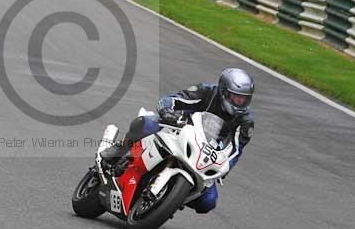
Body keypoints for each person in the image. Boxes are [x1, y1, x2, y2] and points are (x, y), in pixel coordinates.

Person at [100, 67, 256, 214]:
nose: (240, 102)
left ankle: (171, 198)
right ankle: (120, 148)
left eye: (244, 99)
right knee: (146, 123)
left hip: (204, 153)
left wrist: (224, 168)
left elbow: (236, 150)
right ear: (223, 91)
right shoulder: (206, 92)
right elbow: (174, 99)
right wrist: (167, 111)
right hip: (179, 128)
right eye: (236, 97)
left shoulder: (246, 122)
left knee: (208, 202)